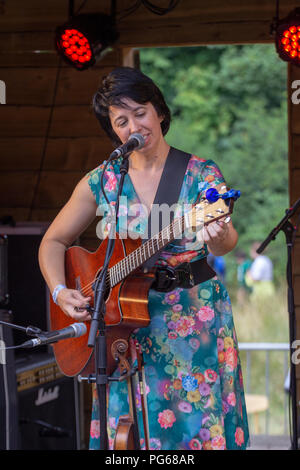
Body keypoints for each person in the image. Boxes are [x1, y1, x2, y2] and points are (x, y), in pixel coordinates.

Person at [38, 66, 249, 451]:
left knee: (199, 426)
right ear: (113, 131)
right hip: (124, 328)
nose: (133, 124)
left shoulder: (200, 173)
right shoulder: (102, 181)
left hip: (192, 318)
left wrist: (218, 234)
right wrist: (59, 291)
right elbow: (53, 241)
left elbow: (223, 244)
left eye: (140, 112)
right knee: (130, 436)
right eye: (121, 120)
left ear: (160, 112)